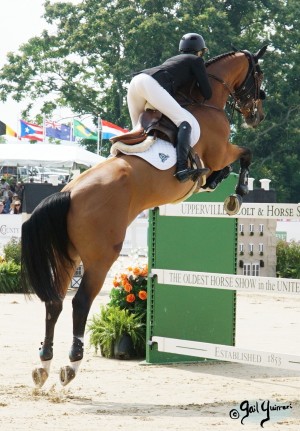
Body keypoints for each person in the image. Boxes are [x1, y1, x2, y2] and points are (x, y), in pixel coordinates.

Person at [127, 33, 212, 183]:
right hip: (149, 84)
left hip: (136, 82)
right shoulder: (196, 60)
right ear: (200, 51)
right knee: (185, 122)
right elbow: (208, 93)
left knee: (136, 130)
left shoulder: (173, 60)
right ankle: (182, 168)